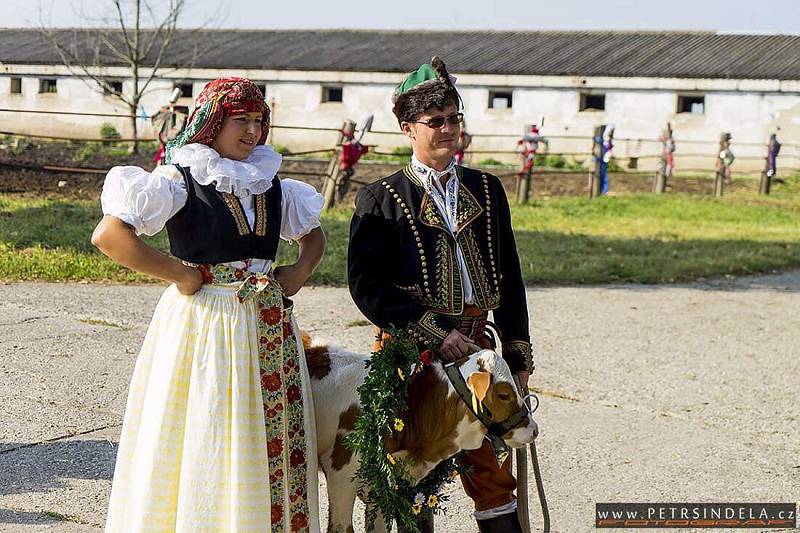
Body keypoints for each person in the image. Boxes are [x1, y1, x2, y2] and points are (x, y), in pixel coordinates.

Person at [93, 77, 325, 532]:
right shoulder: (180, 178)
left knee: (263, 433)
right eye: (241, 120)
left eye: (259, 121)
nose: (252, 132)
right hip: (205, 323)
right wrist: (179, 273)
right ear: (212, 123)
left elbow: (313, 239)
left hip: (267, 325)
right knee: (209, 426)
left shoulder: (272, 184)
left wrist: (296, 275)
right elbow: (110, 236)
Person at [347, 57, 533, 533]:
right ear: (408, 128)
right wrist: (434, 330)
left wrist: (517, 353)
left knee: (493, 468)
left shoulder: (487, 190)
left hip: (480, 352)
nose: (449, 129)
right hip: (413, 352)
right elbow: (367, 287)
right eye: (436, 122)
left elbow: (509, 278)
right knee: (411, 468)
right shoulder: (381, 198)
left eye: (455, 119)